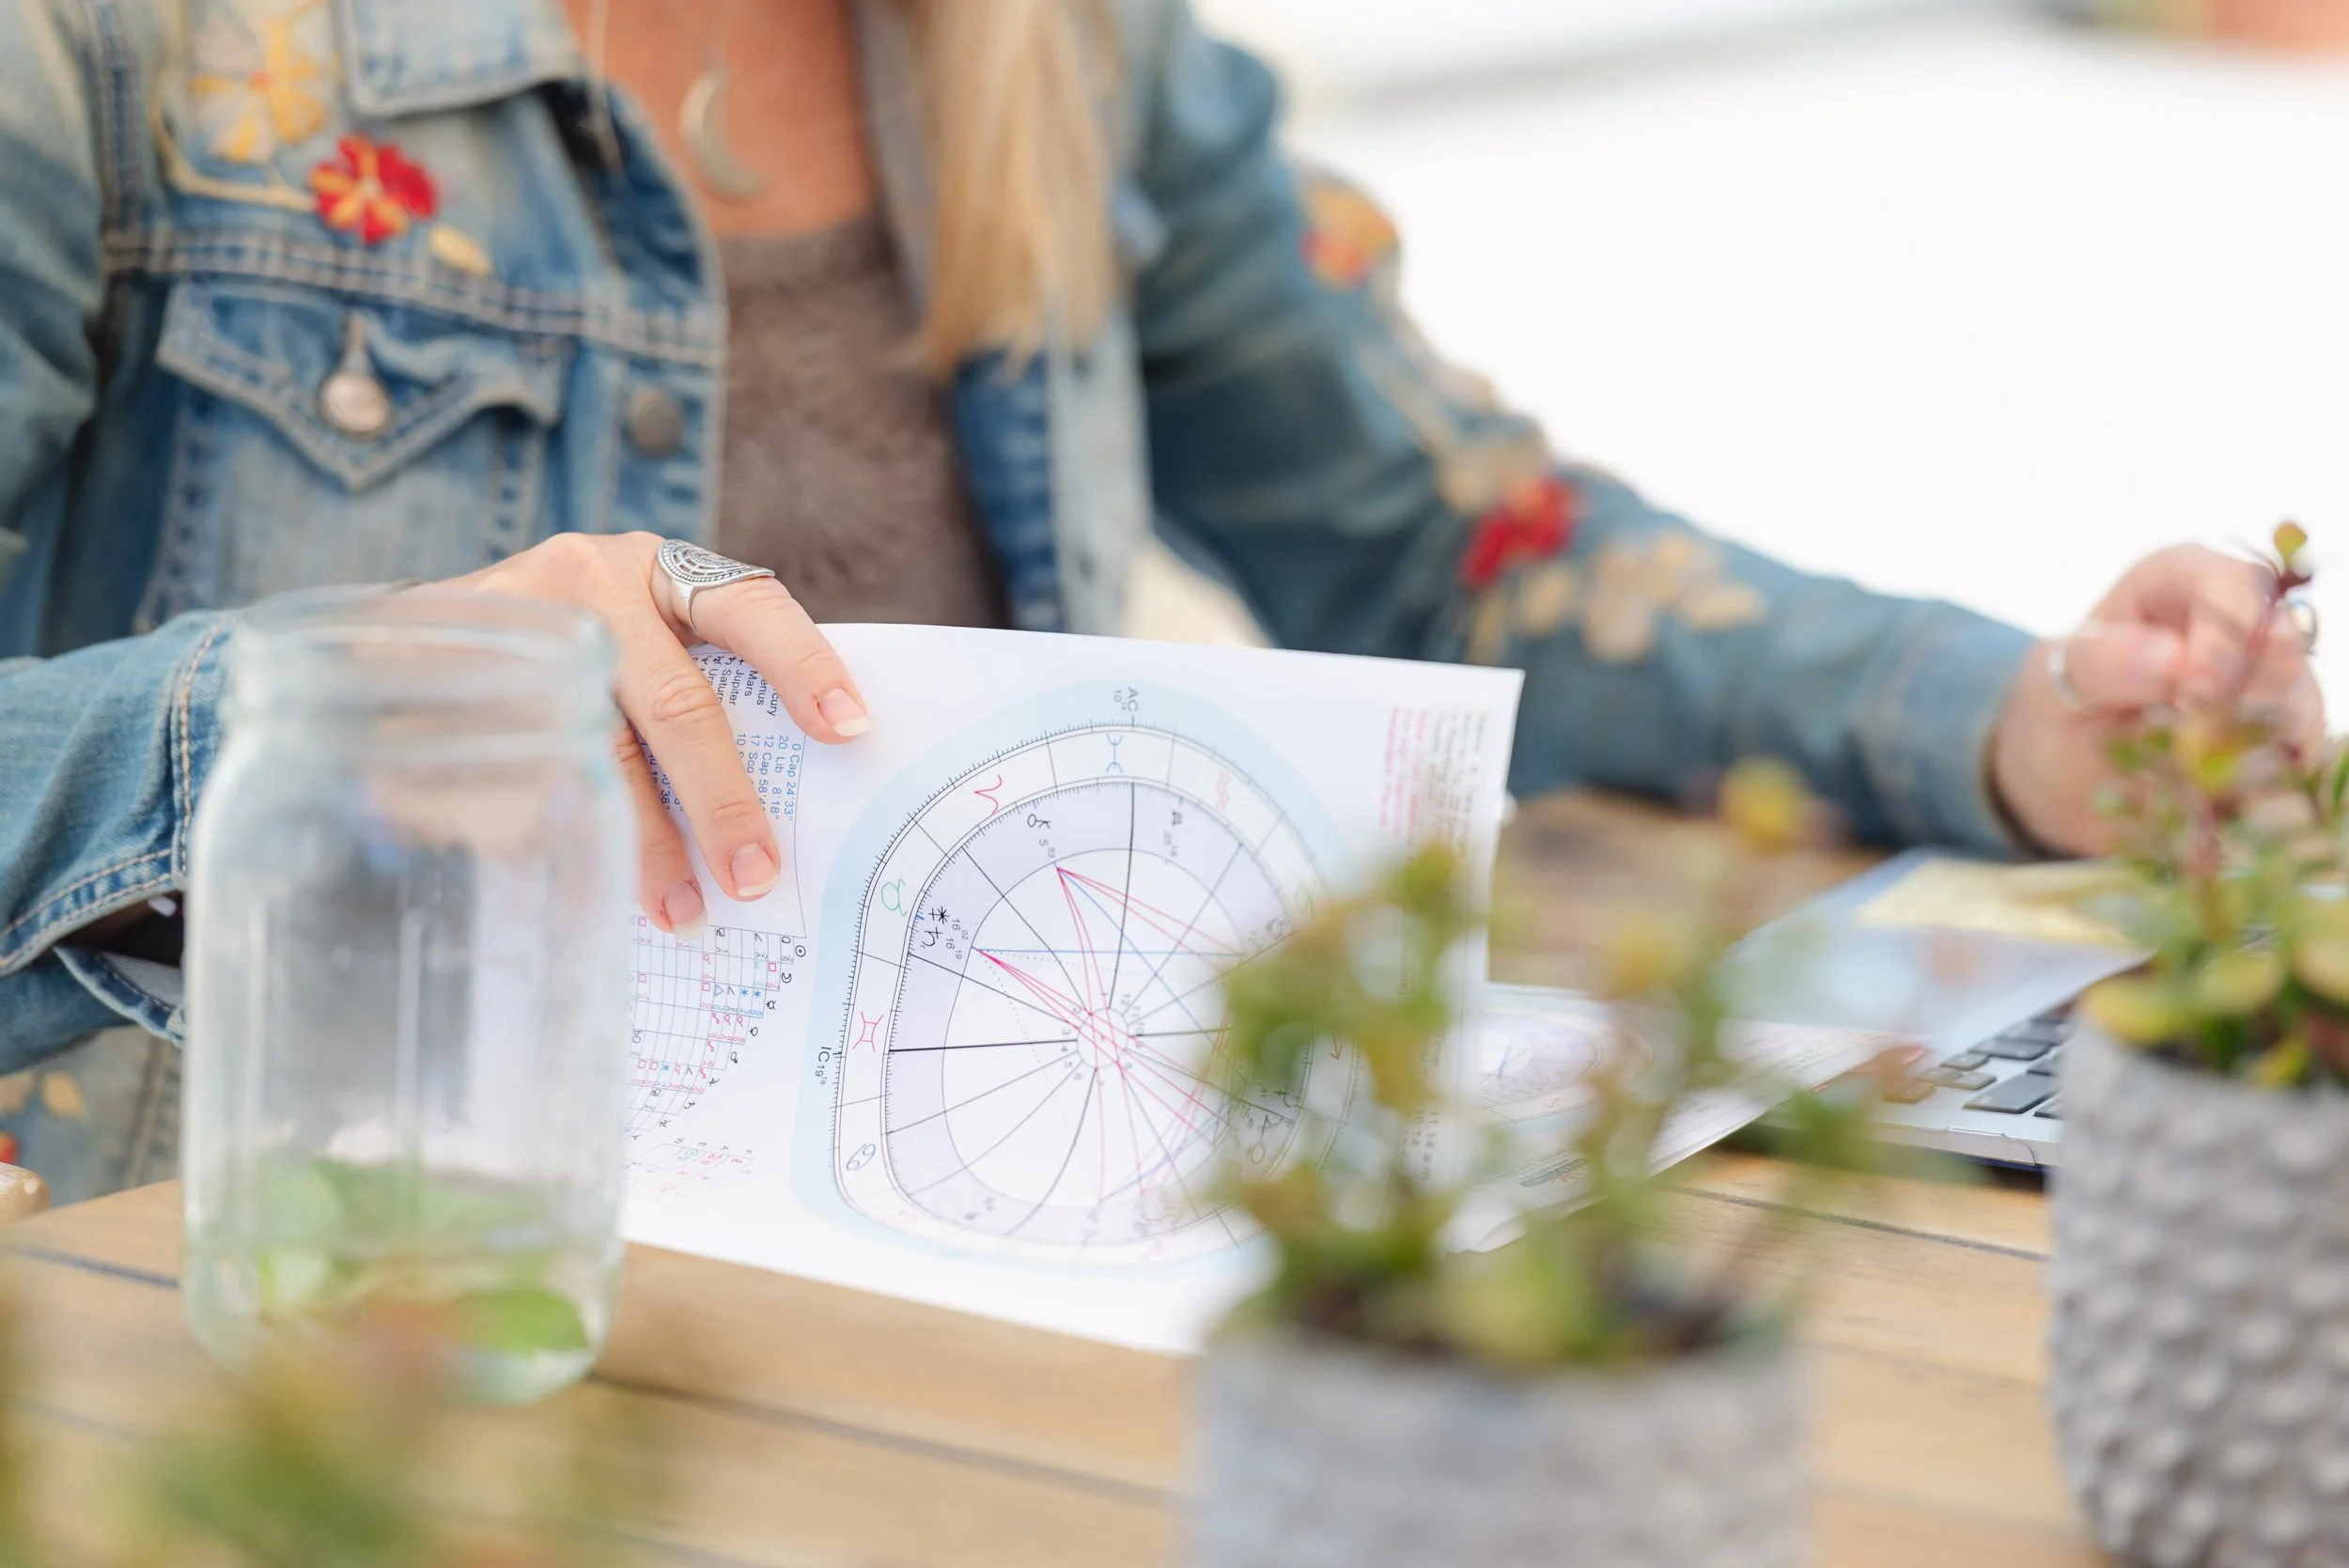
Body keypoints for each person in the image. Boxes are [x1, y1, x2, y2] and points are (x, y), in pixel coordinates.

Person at [0, 0, 2321, 1202]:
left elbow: (1441, 535)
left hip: (968, 1269)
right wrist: (304, 716)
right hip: (310, 1307)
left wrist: (2006, 716)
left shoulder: (1069, 50)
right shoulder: (114, 52)